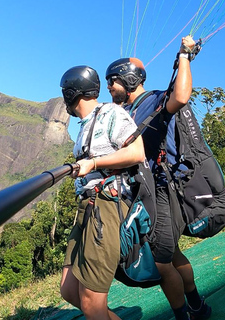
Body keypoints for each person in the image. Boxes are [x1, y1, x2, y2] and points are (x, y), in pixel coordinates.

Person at [105, 36, 212, 320]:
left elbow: (180, 97)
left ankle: (184, 316)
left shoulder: (153, 100)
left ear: (128, 80)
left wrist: (184, 57)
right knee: (172, 254)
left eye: (112, 81)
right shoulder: (122, 112)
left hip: (161, 191)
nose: (108, 87)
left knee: (162, 260)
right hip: (143, 191)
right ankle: (198, 306)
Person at [59, 65, 145, 320]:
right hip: (87, 206)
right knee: (69, 290)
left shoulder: (110, 113)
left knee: (91, 301)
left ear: (72, 93)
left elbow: (137, 152)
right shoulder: (85, 125)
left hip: (107, 205)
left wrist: (94, 163)